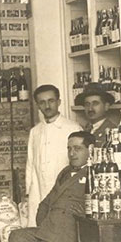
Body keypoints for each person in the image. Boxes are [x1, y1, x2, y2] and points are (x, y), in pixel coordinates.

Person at [26, 84, 81, 227]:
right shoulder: (35, 131)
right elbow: (30, 164)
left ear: (59, 102)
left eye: (51, 101)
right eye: (42, 102)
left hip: (64, 192)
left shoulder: (73, 128)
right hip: (39, 191)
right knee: (38, 226)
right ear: (38, 105)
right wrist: (29, 191)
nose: (47, 106)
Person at [75, 82, 117, 146]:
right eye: (87, 104)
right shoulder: (84, 129)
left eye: (95, 103)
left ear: (106, 106)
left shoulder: (112, 131)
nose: (90, 109)